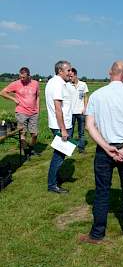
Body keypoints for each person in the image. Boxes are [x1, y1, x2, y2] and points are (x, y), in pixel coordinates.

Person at [79, 60, 123, 244]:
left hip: (104, 149)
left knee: (101, 192)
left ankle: (97, 234)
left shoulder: (97, 95)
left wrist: (106, 147)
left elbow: (90, 126)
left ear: (110, 72)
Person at [45, 60, 73, 194]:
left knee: (60, 155)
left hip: (60, 125)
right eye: (68, 70)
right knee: (59, 156)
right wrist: (63, 130)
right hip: (61, 126)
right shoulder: (57, 84)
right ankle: (52, 184)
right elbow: (58, 109)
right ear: (60, 71)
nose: (71, 73)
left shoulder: (55, 82)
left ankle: (55, 178)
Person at [0, 67, 40, 158]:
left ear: (29, 76)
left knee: (35, 134)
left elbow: (37, 97)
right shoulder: (16, 84)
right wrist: (13, 98)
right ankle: (26, 152)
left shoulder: (35, 83)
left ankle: (30, 148)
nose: (21, 79)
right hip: (21, 112)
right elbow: (2, 92)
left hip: (34, 112)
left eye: (24, 77)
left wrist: (38, 109)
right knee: (22, 133)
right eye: (20, 77)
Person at [68, 67, 89, 153]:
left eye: (71, 76)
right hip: (70, 112)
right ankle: (69, 149)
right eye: (69, 76)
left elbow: (85, 97)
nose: (70, 78)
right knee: (70, 132)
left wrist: (85, 108)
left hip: (81, 112)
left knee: (81, 132)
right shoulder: (67, 85)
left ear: (76, 75)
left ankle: (81, 148)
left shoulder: (83, 84)